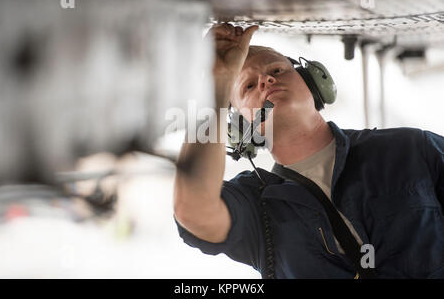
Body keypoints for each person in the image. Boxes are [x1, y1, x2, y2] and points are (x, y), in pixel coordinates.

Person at [173, 23, 444, 278]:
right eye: (248, 86)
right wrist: (216, 85)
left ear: (313, 84)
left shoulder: (409, 148)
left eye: (277, 71)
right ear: (240, 127)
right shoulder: (256, 206)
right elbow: (192, 209)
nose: (266, 80)